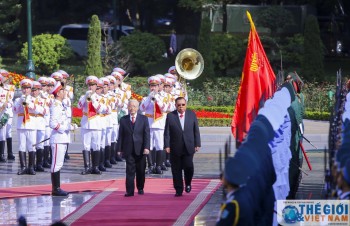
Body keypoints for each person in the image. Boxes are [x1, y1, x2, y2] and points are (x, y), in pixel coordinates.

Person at [164, 97, 201, 196]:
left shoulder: (191, 114)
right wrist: (166, 145)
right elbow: (167, 132)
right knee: (176, 169)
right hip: (175, 146)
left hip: (189, 146)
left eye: (183, 104)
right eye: (179, 105)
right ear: (175, 105)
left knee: (188, 166)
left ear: (186, 105)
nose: (181, 107)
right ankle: (178, 189)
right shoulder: (170, 116)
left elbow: (196, 130)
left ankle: (188, 183)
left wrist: (197, 143)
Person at [117, 99, 150, 197]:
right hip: (128, 149)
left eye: (134, 106)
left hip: (140, 149)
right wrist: (119, 149)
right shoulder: (123, 119)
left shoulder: (144, 119)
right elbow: (121, 136)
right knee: (130, 170)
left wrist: (147, 147)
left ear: (138, 107)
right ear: (128, 107)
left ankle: (140, 188)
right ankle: (129, 191)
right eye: (130, 106)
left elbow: (146, 134)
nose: (132, 108)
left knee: (140, 170)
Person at [49, 81, 72, 196]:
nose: (65, 92)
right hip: (58, 138)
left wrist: (70, 126)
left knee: (59, 163)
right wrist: (64, 128)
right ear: (58, 93)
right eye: (63, 90)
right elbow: (52, 123)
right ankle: (55, 188)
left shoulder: (61, 105)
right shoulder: (55, 105)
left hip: (62, 138)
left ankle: (57, 187)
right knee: (56, 164)